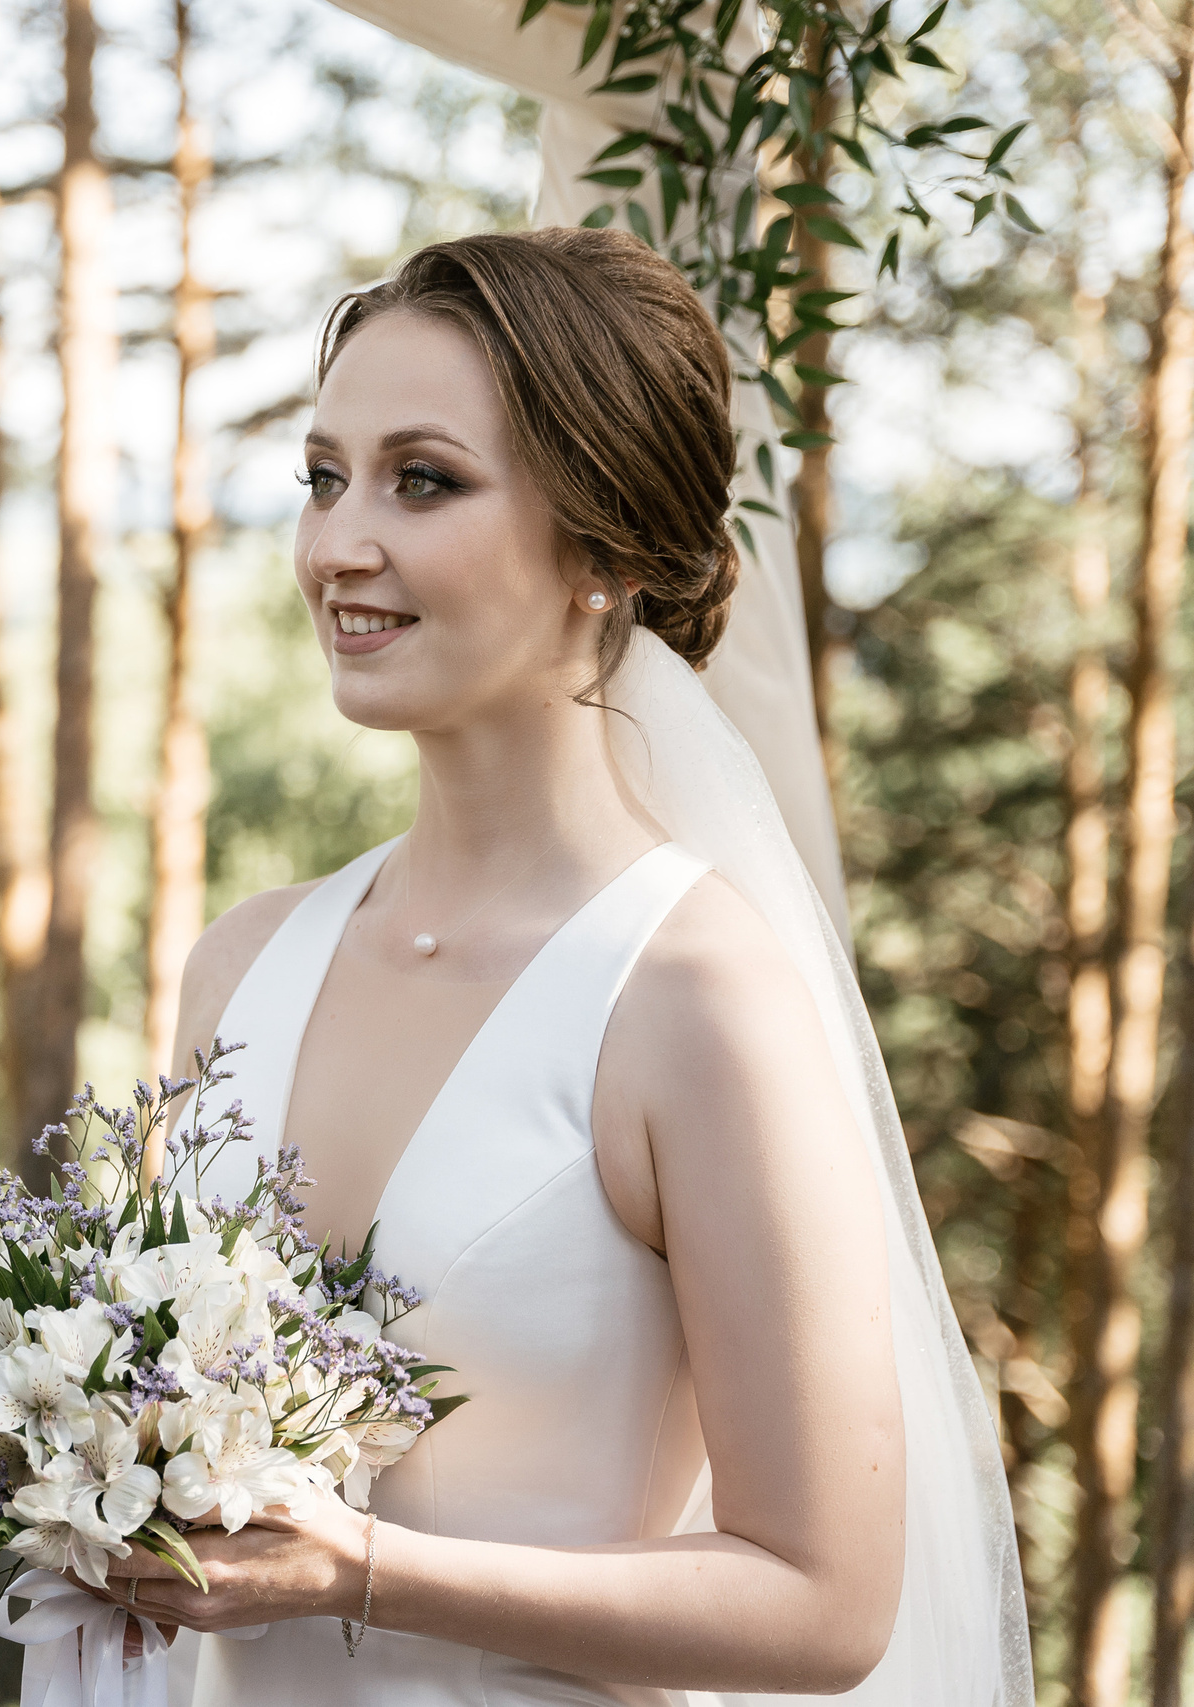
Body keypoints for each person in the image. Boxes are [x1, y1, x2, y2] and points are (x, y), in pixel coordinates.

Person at [78, 230, 1027, 1703]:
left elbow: (827, 1604)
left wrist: (366, 1571)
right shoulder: (240, 965)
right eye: (323, 478)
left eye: (422, 480)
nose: (337, 546)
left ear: (605, 549)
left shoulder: (695, 1000)